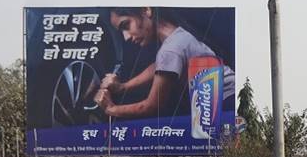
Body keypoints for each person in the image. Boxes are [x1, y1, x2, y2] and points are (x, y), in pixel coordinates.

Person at [95, 7, 236, 119]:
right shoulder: (176, 36)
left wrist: (111, 109)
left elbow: (152, 106)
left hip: (227, 103)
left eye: (126, 25)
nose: (126, 37)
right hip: (228, 99)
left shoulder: (170, 49)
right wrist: (123, 87)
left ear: (146, 10)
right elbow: (159, 66)